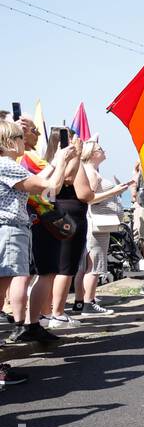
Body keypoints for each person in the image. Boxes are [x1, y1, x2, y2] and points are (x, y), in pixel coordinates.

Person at [0, 120, 72, 350]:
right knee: (8, 285)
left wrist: (56, 161)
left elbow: (40, 178)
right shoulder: (7, 164)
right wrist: (61, 161)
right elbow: (50, 187)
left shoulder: (7, 165)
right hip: (10, 228)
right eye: (20, 137)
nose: (24, 141)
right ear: (10, 142)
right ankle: (21, 325)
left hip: (11, 228)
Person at [30, 127, 94, 330]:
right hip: (67, 217)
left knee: (50, 269)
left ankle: (46, 312)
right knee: (64, 267)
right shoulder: (61, 164)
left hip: (48, 216)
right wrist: (76, 157)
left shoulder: (45, 161)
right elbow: (81, 191)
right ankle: (56, 312)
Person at [75, 140, 131, 316]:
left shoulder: (90, 171)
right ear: (92, 153)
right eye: (100, 149)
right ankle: (88, 303)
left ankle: (80, 301)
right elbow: (89, 198)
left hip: (95, 224)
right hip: (96, 225)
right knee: (95, 264)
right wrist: (115, 191)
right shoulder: (91, 172)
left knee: (86, 265)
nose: (104, 150)